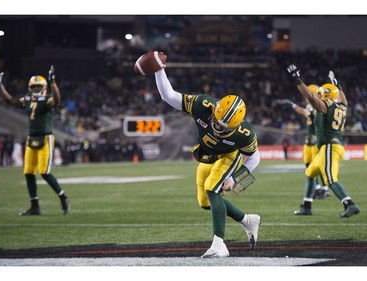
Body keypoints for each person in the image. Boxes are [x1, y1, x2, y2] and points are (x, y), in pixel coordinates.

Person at [151, 52, 261, 258]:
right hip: (209, 155)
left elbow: (255, 158)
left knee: (213, 188)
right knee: (205, 202)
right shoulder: (203, 105)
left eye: (224, 128)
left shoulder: (245, 134)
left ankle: (219, 245)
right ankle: (248, 220)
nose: (218, 128)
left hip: (229, 156)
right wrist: (159, 70)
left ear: (236, 126)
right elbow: (169, 96)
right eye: (216, 123)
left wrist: (234, 180)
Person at [0, 66, 70, 216]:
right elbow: (9, 101)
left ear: (44, 87)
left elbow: (57, 100)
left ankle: (63, 198)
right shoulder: (28, 99)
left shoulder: (47, 99)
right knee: (28, 172)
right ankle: (35, 206)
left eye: (38, 87)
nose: (35, 89)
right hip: (31, 138)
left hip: (45, 138)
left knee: (44, 172)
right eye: (33, 87)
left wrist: (53, 83)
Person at [287, 64, 360, 218]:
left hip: (329, 147)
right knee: (310, 173)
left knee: (331, 179)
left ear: (325, 96)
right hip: (331, 147)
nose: (319, 96)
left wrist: (297, 80)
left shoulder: (325, 107)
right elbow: (343, 99)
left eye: (321, 94)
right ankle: (307, 206)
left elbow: (310, 97)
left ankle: (350, 204)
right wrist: (337, 85)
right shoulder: (342, 106)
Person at [278, 88, 330, 199]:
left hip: (316, 138)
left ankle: (325, 189)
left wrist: (293, 105)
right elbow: (305, 111)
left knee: (319, 165)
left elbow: (305, 112)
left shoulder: (319, 106)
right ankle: (317, 188)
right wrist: (293, 105)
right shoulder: (311, 106)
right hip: (309, 139)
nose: (306, 97)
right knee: (308, 164)